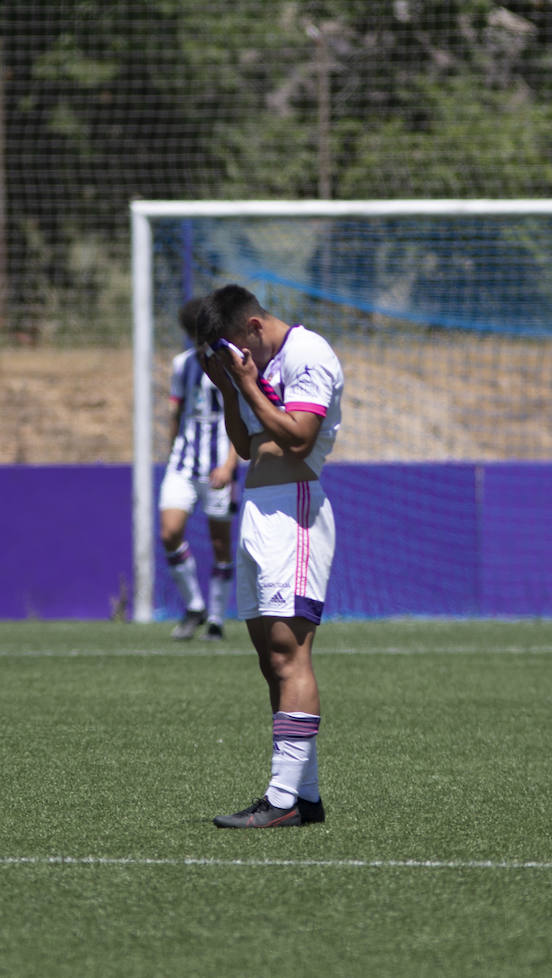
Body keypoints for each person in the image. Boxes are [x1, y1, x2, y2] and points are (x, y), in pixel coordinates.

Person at [197, 284, 344, 828]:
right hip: (258, 508)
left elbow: (299, 437)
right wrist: (227, 390)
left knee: (290, 654)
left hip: (295, 508)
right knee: (269, 660)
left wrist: (245, 383)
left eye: (239, 348)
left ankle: (281, 799)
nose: (240, 360)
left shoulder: (309, 353)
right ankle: (304, 797)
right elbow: (246, 444)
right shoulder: (248, 372)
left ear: (253, 327)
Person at [159, 297, 237, 640]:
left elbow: (240, 419)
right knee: (169, 533)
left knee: (221, 543)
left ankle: (217, 619)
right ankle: (195, 605)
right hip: (183, 464)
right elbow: (176, 413)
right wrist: (173, 450)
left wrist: (230, 465)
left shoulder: (230, 363)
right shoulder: (182, 365)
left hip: (218, 467)